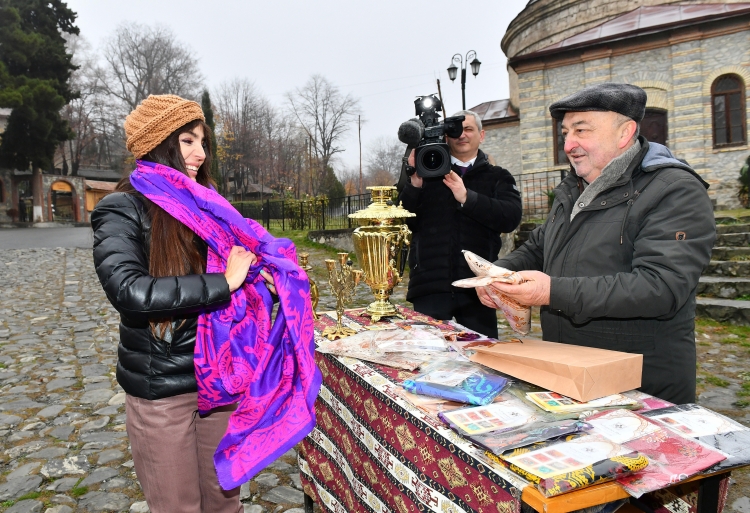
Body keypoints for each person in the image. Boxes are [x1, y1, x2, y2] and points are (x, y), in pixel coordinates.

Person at [92, 95, 318, 512]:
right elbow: (130, 292)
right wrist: (225, 283)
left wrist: (263, 277)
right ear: (158, 144)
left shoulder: (210, 208)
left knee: (223, 502)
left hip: (221, 380)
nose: (201, 153)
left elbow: (239, 270)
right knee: (178, 506)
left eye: (202, 141)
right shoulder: (120, 208)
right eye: (187, 141)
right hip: (163, 388)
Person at [479, 83, 716, 404]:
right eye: (565, 133)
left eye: (581, 130)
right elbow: (539, 246)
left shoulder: (675, 190)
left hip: (640, 381)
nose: (569, 144)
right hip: (569, 369)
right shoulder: (574, 187)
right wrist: (499, 272)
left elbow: (660, 288)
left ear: (625, 133)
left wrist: (551, 292)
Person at [399, 110, 522, 338]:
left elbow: (510, 217)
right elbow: (404, 218)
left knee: (482, 358)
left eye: (469, 129)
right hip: (430, 285)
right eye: (455, 131)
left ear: (481, 135)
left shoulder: (498, 176)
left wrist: (468, 197)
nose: (462, 135)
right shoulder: (428, 172)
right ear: (446, 136)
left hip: (478, 287)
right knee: (428, 358)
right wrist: (414, 183)